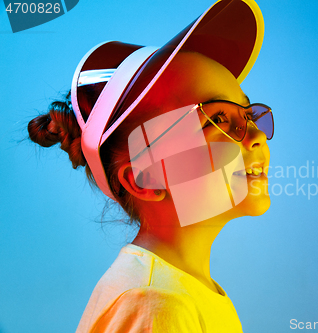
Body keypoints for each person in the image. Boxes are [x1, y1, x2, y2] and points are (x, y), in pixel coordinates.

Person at [27, 0, 273, 331]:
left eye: (246, 114)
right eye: (216, 118)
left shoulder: (179, 290)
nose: (257, 135)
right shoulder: (158, 305)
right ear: (146, 178)